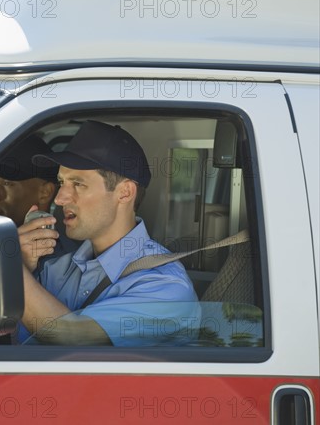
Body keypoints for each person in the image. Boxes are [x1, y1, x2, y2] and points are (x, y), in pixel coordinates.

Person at [20, 121, 199, 346]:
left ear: (124, 193)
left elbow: (68, 336)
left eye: (78, 184)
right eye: (61, 182)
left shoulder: (166, 288)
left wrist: (11, 266)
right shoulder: (57, 270)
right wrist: (25, 266)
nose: (59, 198)